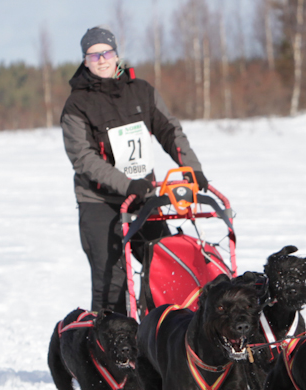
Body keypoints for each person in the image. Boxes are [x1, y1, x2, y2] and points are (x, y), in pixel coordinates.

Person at [61, 26, 208, 315]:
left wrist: (192, 168)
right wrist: (127, 183)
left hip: (143, 199)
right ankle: (107, 353)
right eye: (93, 55)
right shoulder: (76, 105)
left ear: (116, 55)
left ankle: (166, 337)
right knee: (111, 283)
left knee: (167, 265)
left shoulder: (141, 91)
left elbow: (170, 131)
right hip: (100, 203)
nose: (101, 60)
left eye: (106, 53)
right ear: (85, 60)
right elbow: (83, 159)